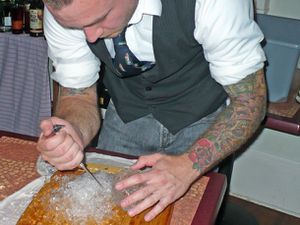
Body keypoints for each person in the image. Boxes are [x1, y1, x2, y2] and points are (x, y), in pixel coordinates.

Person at [37, 0, 267, 222]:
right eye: (75, 27)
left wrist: (186, 167)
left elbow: (249, 101)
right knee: (108, 210)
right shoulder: (66, 10)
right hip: (128, 110)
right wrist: (73, 131)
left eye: (101, 18)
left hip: (200, 112)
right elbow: (77, 95)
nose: (90, 37)